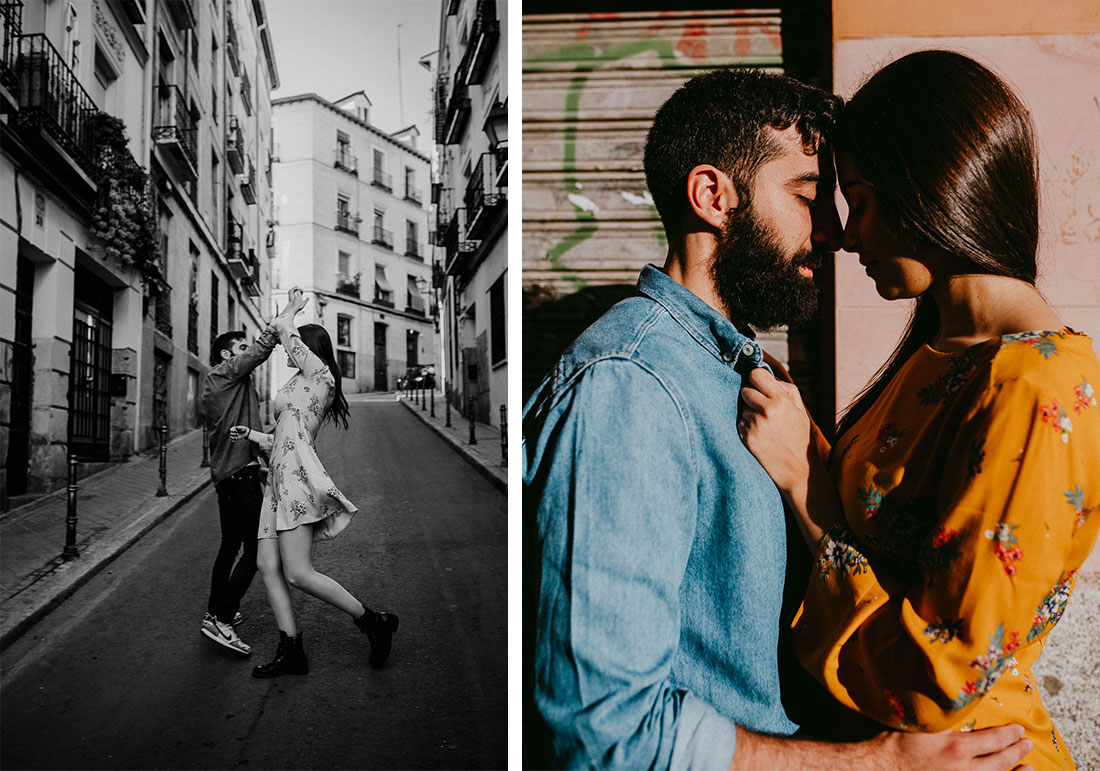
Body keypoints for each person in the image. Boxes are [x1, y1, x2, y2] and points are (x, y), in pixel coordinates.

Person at [522, 68, 1033, 769]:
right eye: (807, 197)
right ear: (712, 196)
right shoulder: (629, 386)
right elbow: (605, 728)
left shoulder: (740, 367)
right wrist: (877, 764)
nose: (834, 232)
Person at [738, 51, 1100, 770]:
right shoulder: (939, 353)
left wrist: (807, 490)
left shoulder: (1038, 383)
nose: (842, 234)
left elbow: (942, 678)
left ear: (929, 189)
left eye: (861, 200)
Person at [232, 287, 398, 677]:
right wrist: (254, 436)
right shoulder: (295, 384)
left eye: (296, 346)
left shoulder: (321, 377)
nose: (290, 352)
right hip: (276, 478)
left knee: (298, 572)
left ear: (309, 347)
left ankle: (373, 620)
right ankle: (291, 650)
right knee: (267, 565)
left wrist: (289, 313)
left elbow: (286, 333)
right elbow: (285, 438)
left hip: (298, 480)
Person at [200, 299, 299, 656]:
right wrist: (283, 318)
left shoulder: (222, 383)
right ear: (228, 354)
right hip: (238, 477)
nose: (246, 354)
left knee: (229, 546)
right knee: (255, 547)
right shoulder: (224, 374)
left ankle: (215, 609)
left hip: (230, 476)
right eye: (239, 348)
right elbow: (257, 353)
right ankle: (222, 620)